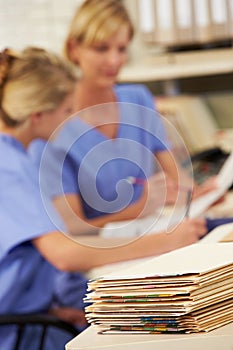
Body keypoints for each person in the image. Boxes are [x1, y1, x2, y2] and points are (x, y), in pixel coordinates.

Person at [0, 46, 208, 350]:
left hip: (36, 317)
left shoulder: (21, 157)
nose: (71, 120)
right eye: (66, 111)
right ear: (38, 115)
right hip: (18, 335)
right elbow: (65, 254)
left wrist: (51, 310)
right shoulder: (9, 169)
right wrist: (166, 241)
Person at [30, 0, 218, 234]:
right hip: (106, 253)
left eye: (121, 49)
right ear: (74, 49)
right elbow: (73, 229)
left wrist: (203, 196)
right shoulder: (51, 127)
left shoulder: (138, 99)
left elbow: (177, 176)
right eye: (101, 48)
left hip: (152, 232)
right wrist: (139, 208)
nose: (114, 60)